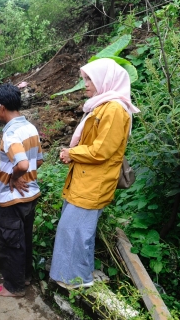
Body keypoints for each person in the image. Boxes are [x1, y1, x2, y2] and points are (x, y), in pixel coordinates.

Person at [50, 58, 140, 289]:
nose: (86, 84)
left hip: (94, 181)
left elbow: (102, 150)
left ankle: (75, 280)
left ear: (105, 79)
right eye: (84, 79)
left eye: (89, 79)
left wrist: (72, 153)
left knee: (75, 231)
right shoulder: (101, 105)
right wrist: (72, 154)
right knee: (77, 230)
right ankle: (80, 274)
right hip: (85, 178)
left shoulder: (114, 109)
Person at [0, 83, 44, 297]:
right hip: (31, 195)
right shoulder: (30, 128)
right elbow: (38, 161)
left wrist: (14, 177)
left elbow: (22, 164)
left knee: (11, 241)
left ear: (1, 107)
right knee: (24, 238)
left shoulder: (11, 134)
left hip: (14, 199)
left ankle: (14, 287)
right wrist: (25, 175)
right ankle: (25, 276)